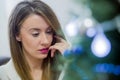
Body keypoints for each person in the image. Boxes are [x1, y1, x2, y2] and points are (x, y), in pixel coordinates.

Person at [0, 0, 70, 80]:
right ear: (17, 34)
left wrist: (73, 62)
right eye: (35, 34)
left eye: (49, 32)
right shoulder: (3, 75)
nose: (45, 41)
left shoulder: (65, 69)